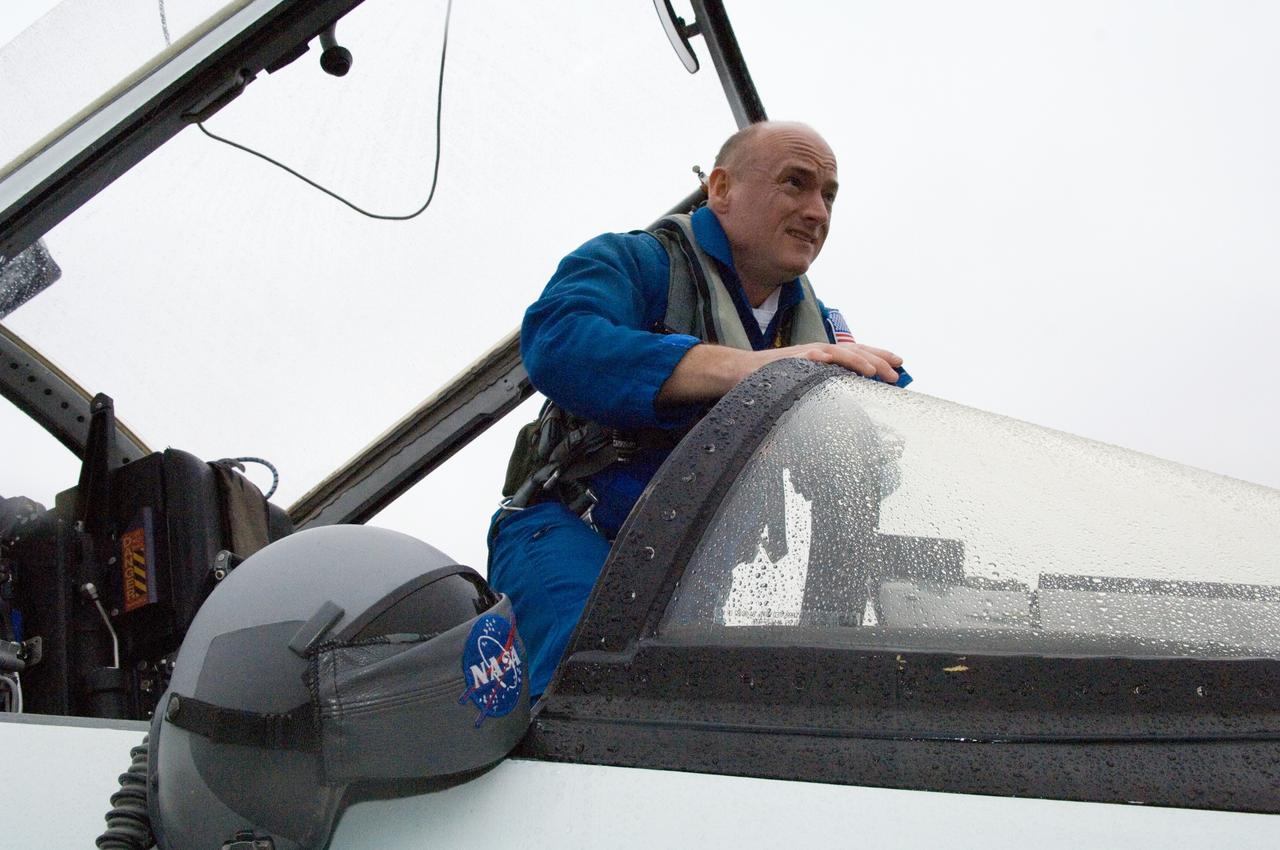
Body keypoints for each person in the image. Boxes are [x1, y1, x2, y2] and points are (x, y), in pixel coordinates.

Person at [488, 121, 908, 698]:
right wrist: (757, 370)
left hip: (690, 571)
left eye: (828, 195)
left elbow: (873, 448)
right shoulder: (633, 263)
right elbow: (559, 344)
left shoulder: (817, 328)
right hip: (569, 532)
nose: (817, 212)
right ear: (721, 189)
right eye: (796, 184)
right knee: (594, 682)